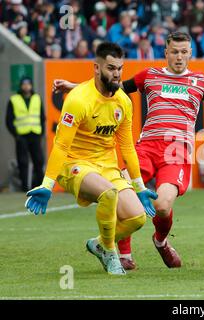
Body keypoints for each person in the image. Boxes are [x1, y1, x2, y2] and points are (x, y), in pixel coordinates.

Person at [53, 31, 204, 270]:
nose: (179, 57)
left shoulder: (200, 80)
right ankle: (125, 254)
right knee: (122, 190)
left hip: (176, 151)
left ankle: (160, 242)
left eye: (183, 52)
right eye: (174, 52)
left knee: (162, 205)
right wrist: (74, 87)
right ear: (166, 52)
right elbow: (109, 89)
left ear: (190, 53)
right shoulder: (149, 75)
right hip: (146, 147)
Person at [25, 42, 158, 276]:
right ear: (96, 68)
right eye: (110, 68)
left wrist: (139, 186)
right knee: (109, 194)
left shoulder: (124, 102)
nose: (116, 74)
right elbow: (61, 145)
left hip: (106, 167)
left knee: (137, 218)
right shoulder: (78, 100)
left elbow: (127, 147)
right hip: (75, 164)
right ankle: (110, 253)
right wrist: (48, 183)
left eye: (120, 68)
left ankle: (98, 244)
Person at [6, 77, 45, 192]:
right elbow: (9, 120)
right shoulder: (14, 99)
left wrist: (41, 132)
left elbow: (42, 117)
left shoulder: (37, 98)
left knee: (38, 160)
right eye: (24, 84)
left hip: (35, 134)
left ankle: (40, 186)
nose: (26, 86)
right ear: (21, 86)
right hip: (21, 136)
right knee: (23, 162)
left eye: (28, 84)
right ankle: (24, 188)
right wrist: (16, 135)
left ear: (31, 85)